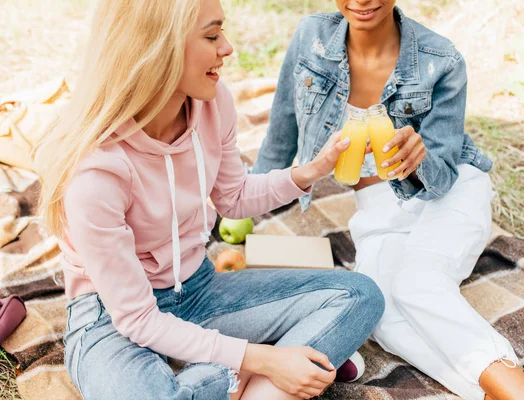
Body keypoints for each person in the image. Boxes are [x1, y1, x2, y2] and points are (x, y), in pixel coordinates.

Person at [33, 1, 385, 399]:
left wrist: (311, 171)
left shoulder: (214, 104)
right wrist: (262, 360)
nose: (228, 48)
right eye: (212, 35)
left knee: (359, 295)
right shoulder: (95, 171)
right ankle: (250, 380)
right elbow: (138, 318)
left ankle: (243, 378)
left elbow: (233, 198)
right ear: (156, 47)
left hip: (197, 290)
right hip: (112, 318)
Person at [252, 1, 524, 399]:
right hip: (377, 209)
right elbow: (281, 131)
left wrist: (420, 159)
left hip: (448, 192)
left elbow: (444, 176)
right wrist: (247, 200)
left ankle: (516, 392)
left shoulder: (441, 58)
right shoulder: (311, 39)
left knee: (418, 285)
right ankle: (510, 391)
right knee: (383, 317)